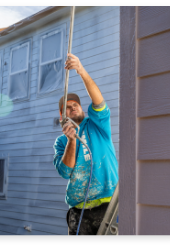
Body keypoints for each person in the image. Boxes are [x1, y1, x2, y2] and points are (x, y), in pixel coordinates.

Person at [53, 53, 118, 236]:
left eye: (76, 104)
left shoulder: (97, 124)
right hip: (78, 209)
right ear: (61, 116)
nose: (73, 107)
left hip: (108, 203)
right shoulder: (61, 142)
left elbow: (99, 100)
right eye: (67, 106)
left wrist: (80, 70)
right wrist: (72, 141)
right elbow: (65, 171)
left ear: (82, 109)